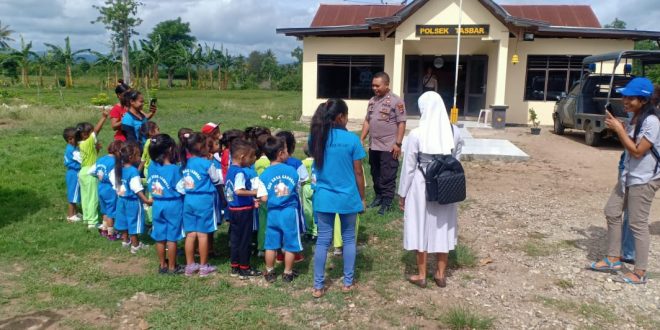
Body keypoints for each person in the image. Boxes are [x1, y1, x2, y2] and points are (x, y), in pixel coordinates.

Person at [590, 77, 659, 284]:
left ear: (644, 100)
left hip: (644, 179)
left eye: (630, 98)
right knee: (612, 211)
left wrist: (620, 130)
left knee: (637, 224)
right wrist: (620, 128)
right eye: (624, 97)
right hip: (628, 176)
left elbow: (638, 151)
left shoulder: (652, 122)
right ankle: (613, 258)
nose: (625, 101)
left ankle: (640, 272)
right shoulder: (635, 119)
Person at [398, 91, 464, 288]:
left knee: (420, 225)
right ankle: (441, 274)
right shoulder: (455, 132)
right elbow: (456, 160)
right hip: (445, 184)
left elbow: (408, 167)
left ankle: (421, 274)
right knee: (443, 226)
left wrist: (402, 194)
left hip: (421, 184)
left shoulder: (417, 134)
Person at [309, 99, 366, 298]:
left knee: (323, 241)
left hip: (323, 197)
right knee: (349, 239)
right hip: (348, 197)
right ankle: (347, 283)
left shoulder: (316, 137)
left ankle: (318, 286)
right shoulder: (352, 140)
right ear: (341, 117)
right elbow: (358, 172)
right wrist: (362, 198)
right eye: (347, 115)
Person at [258, 136, 303, 283]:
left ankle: (270, 271)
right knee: (290, 243)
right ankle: (287, 272)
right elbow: (297, 189)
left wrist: (271, 198)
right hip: (289, 212)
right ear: (280, 153)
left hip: (273, 213)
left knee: (270, 244)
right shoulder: (292, 171)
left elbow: (263, 197)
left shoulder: (264, 175)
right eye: (285, 150)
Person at [360, 72, 407, 215]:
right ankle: (379, 197)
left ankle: (387, 202)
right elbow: (368, 121)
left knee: (388, 175)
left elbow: (401, 123)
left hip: (389, 146)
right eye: (373, 85)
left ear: (387, 85)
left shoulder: (396, 101)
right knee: (375, 173)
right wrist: (361, 138)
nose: (374, 88)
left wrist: (397, 144)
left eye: (377, 85)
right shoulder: (372, 101)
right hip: (374, 145)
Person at [181, 133, 222, 277]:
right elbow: (216, 180)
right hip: (204, 200)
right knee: (203, 234)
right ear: (201, 147)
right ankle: (204, 266)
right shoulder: (206, 164)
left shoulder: (185, 163)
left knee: (191, 234)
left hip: (188, 200)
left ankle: (190, 265)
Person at [225, 139, 263, 280]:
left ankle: (235, 266)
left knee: (235, 238)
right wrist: (255, 193)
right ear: (242, 157)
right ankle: (244, 268)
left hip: (233, 210)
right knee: (245, 239)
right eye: (252, 156)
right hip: (243, 210)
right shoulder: (240, 173)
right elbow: (239, 191)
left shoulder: (230, 170)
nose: (253, 160)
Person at [147, 134, 185, 275]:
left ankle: (162, 265)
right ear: (170, 149)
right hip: (173, 204)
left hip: (157, 204)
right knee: (172, 237)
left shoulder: (152, 167)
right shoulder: (175, 169)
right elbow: (181, 189)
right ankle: (172, 267)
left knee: (160, 236)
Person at [114, 142, 153, 254]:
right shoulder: (133, 171)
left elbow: (116, 185)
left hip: (121, 200)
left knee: (124, 221)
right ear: (131, 157)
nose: (139, 157)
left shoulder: (119, 168)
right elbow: (136, 188)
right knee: (133, 222)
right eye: (137, 155)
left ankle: (125, 241)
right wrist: (146, 200)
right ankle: (135, 245)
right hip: (132, 202)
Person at [75, 109, 110, 229]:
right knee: (93, 197)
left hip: (82, 172)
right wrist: (104, 117)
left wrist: (97, 149)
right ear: (85, 134)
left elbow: (91, 154)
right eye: (90, 132)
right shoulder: (88, 141)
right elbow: (97, 131)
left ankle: (87, 218)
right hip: (90, 173)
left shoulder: (81, 143)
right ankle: (93, 222)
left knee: (85, 197)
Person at [94, 140, 123, 240]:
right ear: (118, 151)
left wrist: (99, 177)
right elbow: (113, 178)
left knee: (105, 210)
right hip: (109, 189)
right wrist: (119, 189)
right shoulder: (114, 162)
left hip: (100, 187)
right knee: (111, 211)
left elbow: (92, 171)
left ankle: (104, 229)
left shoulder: (101, 159)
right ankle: (111, 233)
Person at [63, 127, 82, 222]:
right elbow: (82, 160)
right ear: (67, 140)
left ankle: (75, 212)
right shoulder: (72, 150)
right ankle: (70, 215)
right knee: (73, 194)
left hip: (73, 173)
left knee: (76, 193)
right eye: (70, 139)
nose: (73, 140)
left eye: (74, 138)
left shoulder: (73, 147)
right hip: (74, 173)